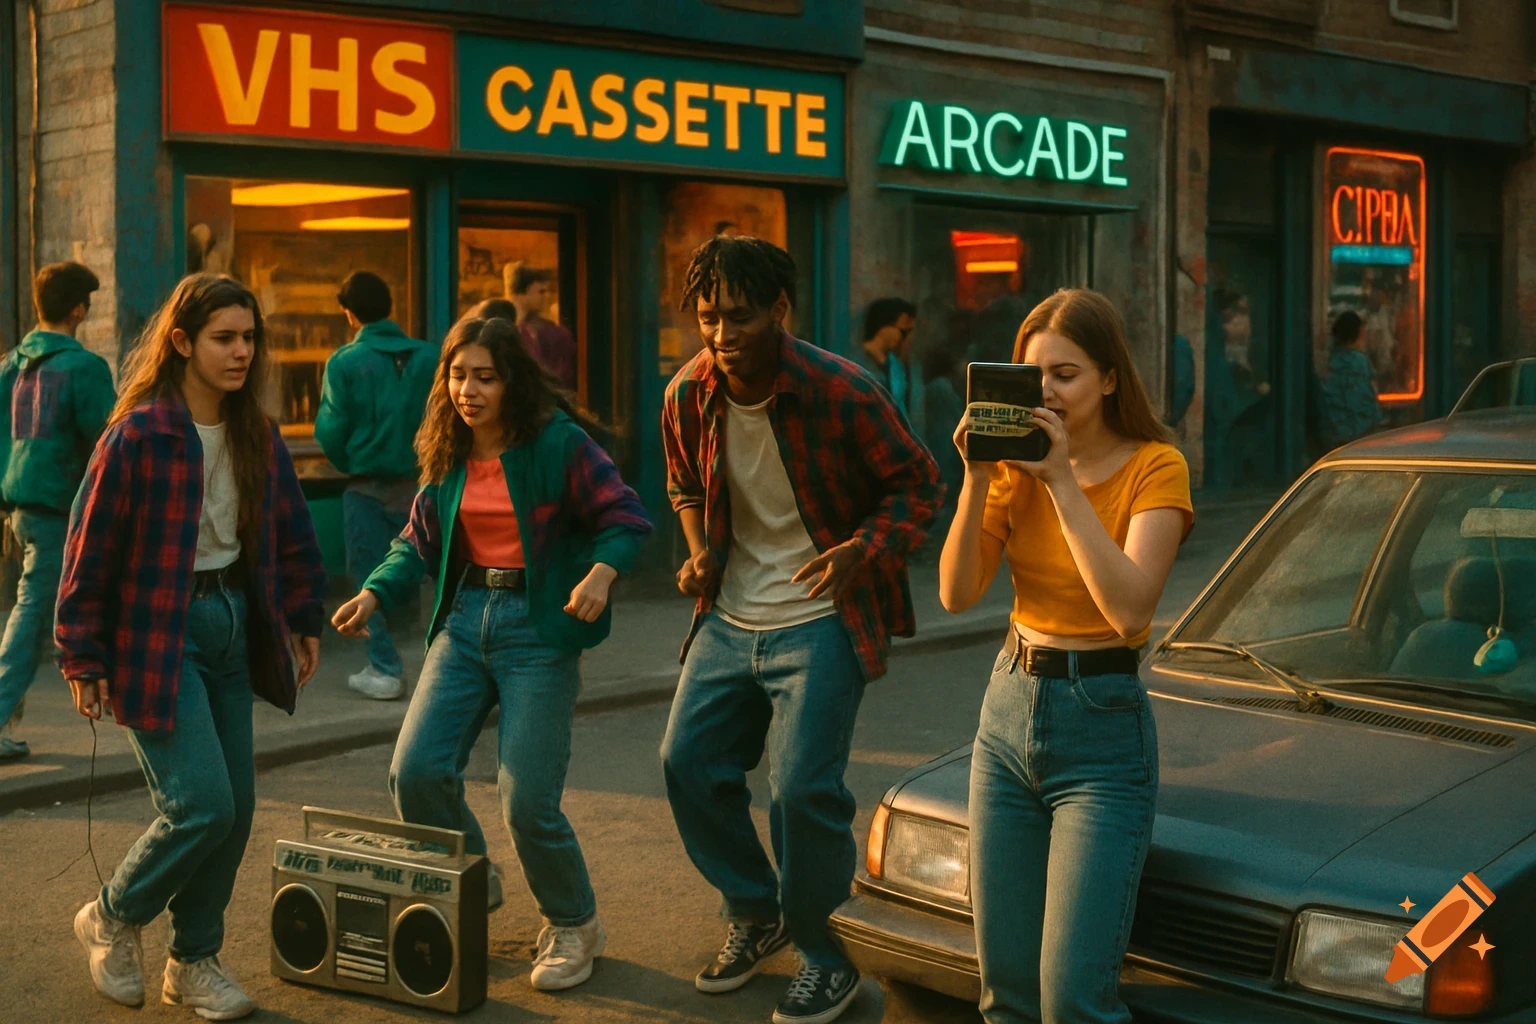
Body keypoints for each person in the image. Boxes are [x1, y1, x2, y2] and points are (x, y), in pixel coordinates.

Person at [660, 235, 941, 1024]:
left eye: (739, 317)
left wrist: (862, 551)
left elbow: (919, 485)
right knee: (686, 763)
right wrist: (695, 554)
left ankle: (827, 956)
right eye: (708, 317)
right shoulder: (688, 394)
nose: (721, 334)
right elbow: (684, 482)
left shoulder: (843, 389)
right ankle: (755, 909)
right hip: (728, 613)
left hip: (821, 614)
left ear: (780, 310)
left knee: (801, 791)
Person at [333, 315, 651, 992]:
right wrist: (373, 593)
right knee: (414, 772)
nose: (468, 391)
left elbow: (625, 516)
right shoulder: (447, 450)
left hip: (539, 629)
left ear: (513, 381)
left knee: (526, 799)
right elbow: (416, 541)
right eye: (457, 375)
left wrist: (601, 573)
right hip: (464, 620)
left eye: (485, 377)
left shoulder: (559, 445)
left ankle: (574, 923)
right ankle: (474, 880)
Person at [58, 273, 326, 1019]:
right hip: (157, 633)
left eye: (249, 338)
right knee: (199, 803)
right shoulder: (139, 434)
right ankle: (112, 915)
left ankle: (193, 960)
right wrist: (82, 656)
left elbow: (290, 531)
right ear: (182, 342)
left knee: (235, 809)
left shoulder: (255, 434)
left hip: (234, 626)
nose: (242, 352)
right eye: (224, 338)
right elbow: (89, 548)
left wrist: (303, 617)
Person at [938, 288, 1191, 1024]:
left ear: (1111, 378)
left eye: (1066, 373)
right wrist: (979, 477)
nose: (1045, 390)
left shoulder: (1156, 466)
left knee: (1071, 1000)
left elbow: (1130, 608)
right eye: (1032, 374)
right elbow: (955, 593)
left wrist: (1060, 483)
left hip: (1103, 730)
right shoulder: (1011, 471)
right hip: (1008, 710)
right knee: (1006, 995)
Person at [0, 262, 116, 761]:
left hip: (17, 506)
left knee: (27, 613)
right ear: (79, 309)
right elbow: (107, 444)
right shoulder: (85, 368)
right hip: (58, 511)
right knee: (30, 619)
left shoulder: (11, 363)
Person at [314, 271, 436, 701]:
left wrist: (356, 462)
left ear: (349, 313)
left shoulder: (344, 362)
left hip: (366, 488)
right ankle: (449, 668)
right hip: (425, 486)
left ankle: (385, 667)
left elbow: (329, 431)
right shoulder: (431, 357)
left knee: (367, 577)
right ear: (390, 307)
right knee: (440, 573)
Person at [507, 264, 578, 392]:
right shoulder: (507, 329)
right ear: (520, 295)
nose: (547, 297)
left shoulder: (553, 332)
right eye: (541, 292)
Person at [1319, 310, 1384, 448]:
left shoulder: (1329, 361)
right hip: (1358, 434)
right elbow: (1364, 400)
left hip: (1332, 433)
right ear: (1357, 335)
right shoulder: (1359, 363)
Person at [856, 298, 916, 415]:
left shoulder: (895, 366)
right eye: (903, 331)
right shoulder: (857, 362)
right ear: (884, 328)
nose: (906, 339)